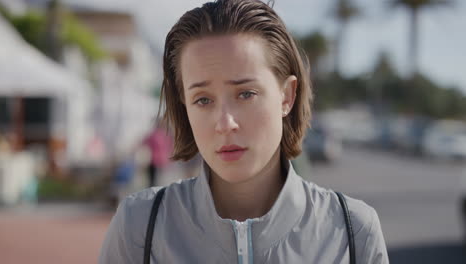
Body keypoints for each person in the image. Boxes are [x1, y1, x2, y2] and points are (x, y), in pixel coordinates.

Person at [99, 0, 389, 263]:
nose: (225, 123)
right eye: (202, 100)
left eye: (246, 94)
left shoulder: (354, 231)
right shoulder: (139, 226)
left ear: (286, 96)